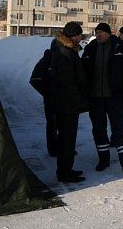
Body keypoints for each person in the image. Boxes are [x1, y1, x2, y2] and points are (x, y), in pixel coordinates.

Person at [82, 22, 123, 175]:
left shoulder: (119, 47)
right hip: (96, 98)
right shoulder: (90, 48)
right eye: (96, 32)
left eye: (101, 32)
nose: (98, 35)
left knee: (119, 129)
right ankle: (103, 159)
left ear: (108, 33)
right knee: (99, 129)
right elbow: (83, 72)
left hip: (114, 97)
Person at [50, 22, 88, 183]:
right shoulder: (65, 53)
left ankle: (66, 169)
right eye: (79, 35)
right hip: (67, 104)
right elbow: (67, 82)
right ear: (73, 36)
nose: (81, 37)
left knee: (68, 139)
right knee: (67, 139)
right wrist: (79, 100)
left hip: (66, 103)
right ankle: (64, 172)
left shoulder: (66, 50)